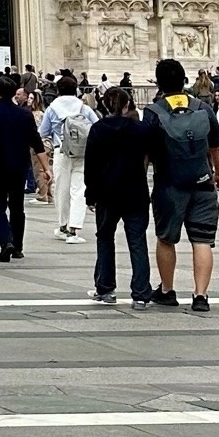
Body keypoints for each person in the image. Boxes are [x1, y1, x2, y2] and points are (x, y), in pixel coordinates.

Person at [145, 55, 219, 311]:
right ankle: (200, 295)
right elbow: (217, 146)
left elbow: (145, 153)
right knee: (202, 240)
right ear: (184, 80)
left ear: (159, 83)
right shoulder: (203, 108)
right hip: (202, 181)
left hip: (169, 184)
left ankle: (167, 290)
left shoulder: (153, 112)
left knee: (166, 238)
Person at [85, 84, 153, 307]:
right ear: (127, 105)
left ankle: (105, 288)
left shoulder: (97, 128)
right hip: (135, 192)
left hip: (106, 193)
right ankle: (141, 293)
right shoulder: (140, 129)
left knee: (105, 239)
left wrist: (90, 194)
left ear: (105, 105)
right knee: (137, 241)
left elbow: (91, 165)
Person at [0, 73, 46, 262]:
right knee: (17, 206)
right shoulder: (24, 113)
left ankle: (6, 241)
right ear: (15, 92)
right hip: (19, 165)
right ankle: (18, 247)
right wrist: (46, 167)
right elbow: (35, 140)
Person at [41, 70, 98, 240]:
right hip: (82, 152)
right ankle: (74, 229)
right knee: (79, 190)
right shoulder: (83, 108)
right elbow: (97, 126)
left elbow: (42, 132)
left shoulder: (52, 109)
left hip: (61, 151)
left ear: (58, 90)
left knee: (61, 189)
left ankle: (62, 226)